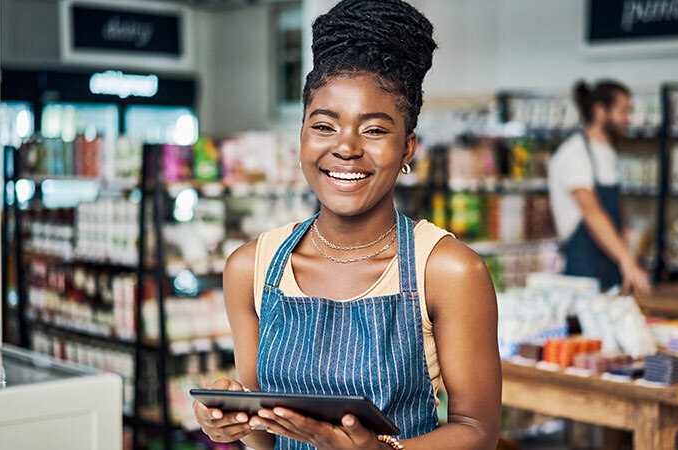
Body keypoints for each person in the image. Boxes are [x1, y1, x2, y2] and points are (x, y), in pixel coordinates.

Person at [192, 1, 502, 449]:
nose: (346, 148)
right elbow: (266, 438)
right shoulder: (252, 268)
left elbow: (479, 432)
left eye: (374, 130)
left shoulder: (447, 271)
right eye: (323, 126)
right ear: (301, 136)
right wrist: (236, 423)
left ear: (408, 147)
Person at [548, 80, 652, 296]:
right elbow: (592, 212)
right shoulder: (575, 154)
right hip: (584, 271)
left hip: (611, 265)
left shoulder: (607, 153)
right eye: (623, 111)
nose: (628, 119)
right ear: (600, 111)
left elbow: (614, 206)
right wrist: (627, 260)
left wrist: (625, 238)